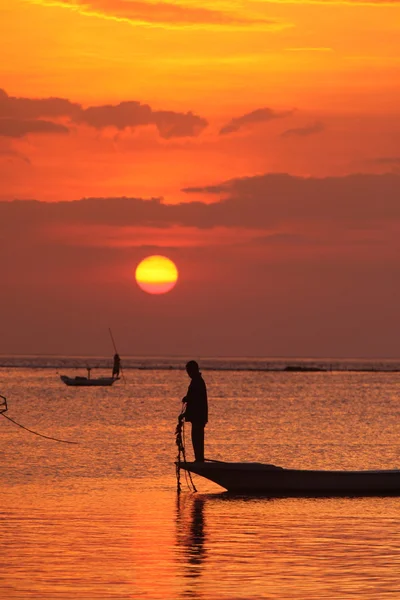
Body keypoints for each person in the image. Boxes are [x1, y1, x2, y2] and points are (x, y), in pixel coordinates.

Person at [180, 360, 208, 462]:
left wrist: (187, 400)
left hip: (198, 416)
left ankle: (199, 459)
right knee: (197, 437)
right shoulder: (197, 381)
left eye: (189, 371)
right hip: (198, 416)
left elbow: (195, 400)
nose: (188, 373)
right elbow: (193, 398)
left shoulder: (197, 381)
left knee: (197, 437)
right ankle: (199, 458)